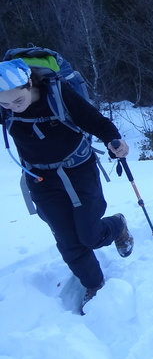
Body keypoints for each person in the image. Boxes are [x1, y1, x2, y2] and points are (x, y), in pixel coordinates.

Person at [0, 59, 134, 312]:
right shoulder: (6, 106)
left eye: (17, 101)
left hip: (78, 171)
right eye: (5, 104)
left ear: (29, 83)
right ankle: (94, 284)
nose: (13, 109)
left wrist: (114, 140)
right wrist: (7, 105)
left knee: (89, 235)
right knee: (67, 240)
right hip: (39, 179)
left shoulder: (58, 94)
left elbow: (96, 121)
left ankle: (116, 225)